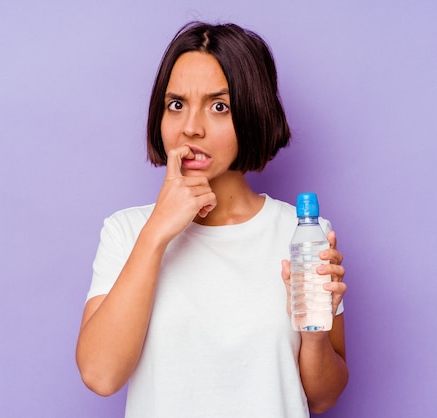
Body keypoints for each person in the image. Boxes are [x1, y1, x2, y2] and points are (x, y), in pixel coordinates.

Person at [76, 21, 348, 417]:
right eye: (176, 105)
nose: (191, 127)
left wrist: (315, 334)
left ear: (252, 113)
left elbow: (323, 398)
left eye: (219, 106)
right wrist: (156, 235)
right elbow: (101, 376)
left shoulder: (303, 235)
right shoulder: (126, 232)